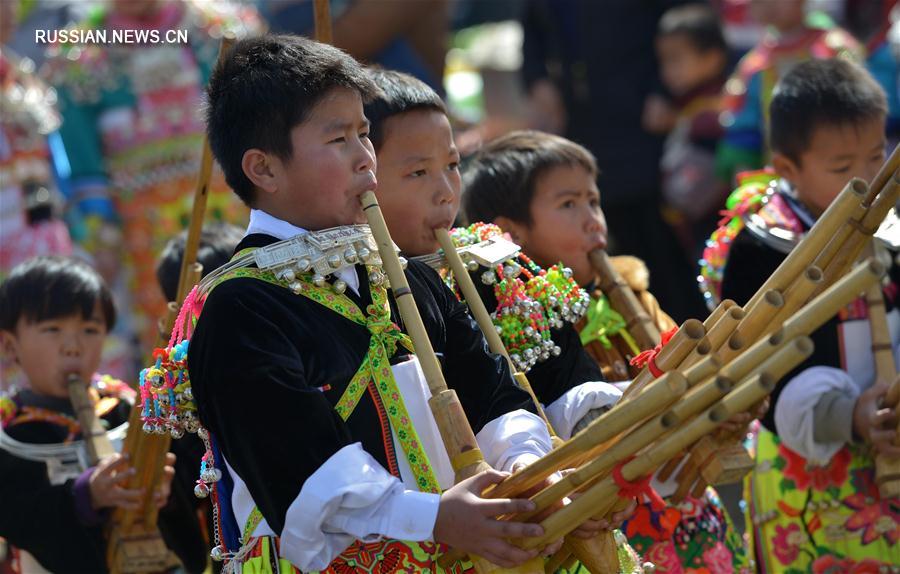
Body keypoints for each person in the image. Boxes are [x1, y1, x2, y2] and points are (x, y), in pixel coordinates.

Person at [180, 34, 582, 573]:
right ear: (264, 169)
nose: (366, 159)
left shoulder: (408, 276)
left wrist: (527, 472)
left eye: (364, 133)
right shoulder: (241, 309)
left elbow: (492, 395)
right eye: (339, 138)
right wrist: (434, 518)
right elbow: (302, 470)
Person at [363, 67, 642, 573]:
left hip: (547, 514)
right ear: (360, 175)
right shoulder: (347, 292)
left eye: (452, 165)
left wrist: (609, 434)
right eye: (417, 173)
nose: (447, 191)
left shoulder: (494, 268)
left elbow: (562, 376)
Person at [463, 130, 751, 573]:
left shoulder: (633, 293)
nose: (593, 218)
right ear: (509, 233)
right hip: (610, 518)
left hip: (687, 503)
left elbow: (687, 365)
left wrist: (719, 402)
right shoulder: (517, 321)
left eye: (593, 201)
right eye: (568, 205)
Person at [709, 58, 900, 571]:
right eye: (842, 168)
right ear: (787, 168)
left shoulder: (894, 226)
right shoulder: (762, 247)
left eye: (878, 156)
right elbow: (762, 375)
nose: (868, 178)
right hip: (810, 469)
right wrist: (852, 415)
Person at [40, 0, 261, 355]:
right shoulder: (77, 56)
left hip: (234, 213)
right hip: (141, 239)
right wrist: (101, 235)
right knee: (170, 341)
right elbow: (84, 166)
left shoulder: (220, 28)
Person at [0, 256, 178, 573]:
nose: (73, 347)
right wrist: (85, 497)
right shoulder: (9, 433)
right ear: (10, 346)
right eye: (52, 329)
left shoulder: (129, 410)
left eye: (90, 329)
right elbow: (18, 516)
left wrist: (159, 491)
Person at [715, 0, 862, 185]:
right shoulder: (755, 67)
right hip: (780, 184)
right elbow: (744, 134)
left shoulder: (834, 50)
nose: (768, 4)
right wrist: (748, 185)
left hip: (843, 175)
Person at [651, 3, 731, 261]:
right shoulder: (687, 106)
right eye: (663, 61)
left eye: (676, 59)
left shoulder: (712, 114)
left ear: (712, 58)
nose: (667, 70)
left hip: (712, 220)